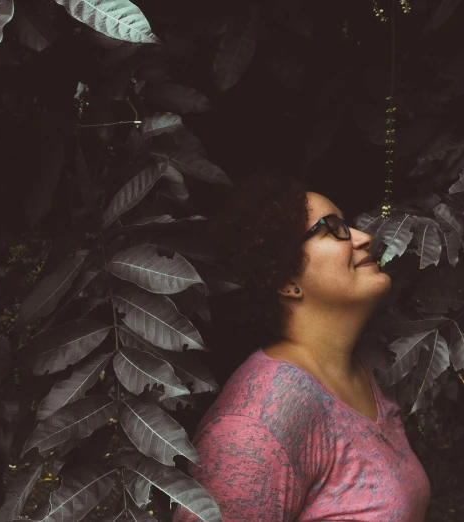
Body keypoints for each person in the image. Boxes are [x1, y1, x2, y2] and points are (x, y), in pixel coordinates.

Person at [174, 173, 430, 521]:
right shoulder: (258, 422)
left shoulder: (363, 372)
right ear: (286, 280)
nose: (364, 238)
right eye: (332, 228)